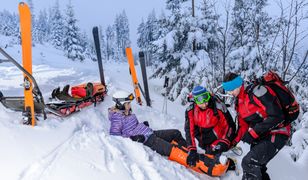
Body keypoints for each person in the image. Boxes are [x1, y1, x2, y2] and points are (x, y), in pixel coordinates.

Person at [109, 90, 230, 176]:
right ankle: (209, 166)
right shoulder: (116, 119)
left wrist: (141, 126)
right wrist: (134, 138)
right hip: (147, 140)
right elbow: (116, 138)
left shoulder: (127, 113)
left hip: (150, 133)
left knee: (175, 133)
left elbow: (131, 127)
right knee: (173, 149)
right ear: (121, 104)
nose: (130, 105)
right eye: (127, 103)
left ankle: (189, 151)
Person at [222, 73, 290, 180]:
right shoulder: (239, 103)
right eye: (227, 89)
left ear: (239, 84)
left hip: (277, 133)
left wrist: (253, 133)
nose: (229, 92)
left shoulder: (257, 92)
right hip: (261, 136)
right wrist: (231, 143)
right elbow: (243, 126)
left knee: (249, 163)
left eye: (231, 88)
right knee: (258, 168)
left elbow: (277, 116)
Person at [185, 86, 236, 167]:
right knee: (203, 150)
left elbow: (229, 126)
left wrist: (224, 142)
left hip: (218, 138)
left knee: (212, 154)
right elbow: (189, 130)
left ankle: (227, 159)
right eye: (200, 100)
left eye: (206, 97)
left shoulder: (218, 107)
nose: (205, 103)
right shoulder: (191, 111)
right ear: (195, 100)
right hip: (202, 139)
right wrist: (192, 149)